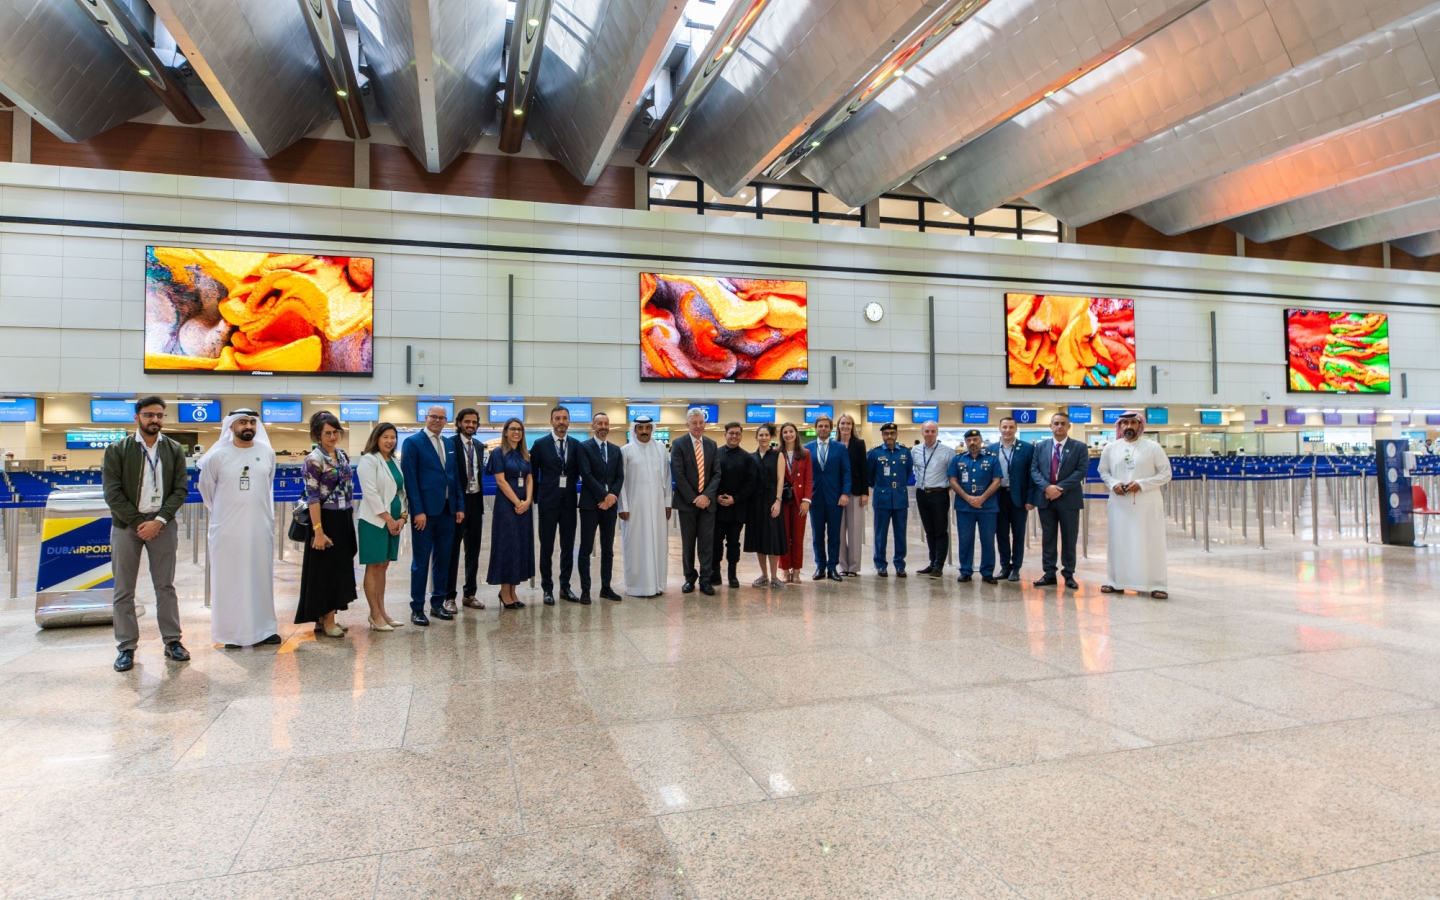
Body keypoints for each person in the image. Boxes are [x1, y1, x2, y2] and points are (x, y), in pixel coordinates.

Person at [102, 396, 191, 672]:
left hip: (162, 524)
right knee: (124, 590)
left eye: (160, 415)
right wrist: (140, 522)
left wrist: (159, 520)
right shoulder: (118, 449)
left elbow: (180, 490)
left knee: (165, 586)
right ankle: (126, 647)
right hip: (126, 526)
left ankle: (172, 641)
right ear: (137, 418)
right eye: (149, 415)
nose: (155, 420)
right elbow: (112, 492)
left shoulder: (174, 449)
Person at [198, 410, 279, 648]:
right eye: (243, 422)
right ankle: (231, 634)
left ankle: (264, 630)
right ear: (231, 427)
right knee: (230, 580)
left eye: (252, 422)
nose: (248, 426)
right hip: (228, 530)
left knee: (260, 578)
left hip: (259, 527)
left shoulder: (267, 453)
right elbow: (207, 492)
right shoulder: (217, 456)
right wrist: (228, 514)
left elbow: (268, 485)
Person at [295, 410, 357, 636]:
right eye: (327, 433)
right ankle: (327, 620)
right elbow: (312, 498)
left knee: (339, 569)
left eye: (335, 432)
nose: (332, 436)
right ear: (318, 435)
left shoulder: (342, 456)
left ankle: (326, 618)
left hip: (344, 516)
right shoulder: (313, 460)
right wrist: (318, 531)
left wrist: (350, 520)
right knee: (326, 571)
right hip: (324, 519)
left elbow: (348, 490)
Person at [1099, 412, 1173, 599]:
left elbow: (1166, 474)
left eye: (1133, 422)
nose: (1128, 426)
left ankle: (1156, 584)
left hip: (1147, 503)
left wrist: (1142, 484)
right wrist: (1113, 483)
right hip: (1119, 503)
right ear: (1120, 426)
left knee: (1150, 541)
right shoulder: (1111, 448)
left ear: (1140, 426)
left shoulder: (1153, 447)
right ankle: (1116, 582)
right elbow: (1103, 471)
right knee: (1119, 541)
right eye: (1125, 423)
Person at [401, 405, 463, 625]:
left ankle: (437, 603)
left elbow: (453, 478)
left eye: (441, 417)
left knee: (443, 559)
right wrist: (417, 511)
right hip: (425, 514)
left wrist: (459, 506)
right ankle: (417, 607)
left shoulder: (449, 444)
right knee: (421, 561)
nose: (437, 420)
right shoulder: (413, 443)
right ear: (426, 418)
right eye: (433, 417)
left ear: (446, 421)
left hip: (447, 511)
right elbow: (411, 480)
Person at [357, 422, 408, 630]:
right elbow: (371, 494)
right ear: (377, 438)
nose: (390, 441)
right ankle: (374, 614)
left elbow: (401, 492)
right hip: (375, 521)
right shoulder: (368, 461)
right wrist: (388, 519)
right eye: (385, 437)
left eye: (393, 437)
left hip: (394, 520)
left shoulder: (393, 461)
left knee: (384, 566)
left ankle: (382, 612)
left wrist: (402, 517)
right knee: (374, 566)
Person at [1030, 411, 1088, 589]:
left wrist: (1059, 488)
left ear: (1069, 426)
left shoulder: (1079, 447)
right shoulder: (1040, 447)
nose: (1059, 426)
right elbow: (1034, 470)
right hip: (1046, 499)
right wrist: (1047, 487)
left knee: (1069, 539)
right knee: (1048, 538)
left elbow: (1081, 471)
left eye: (1063, 423)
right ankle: (1049, 573)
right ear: (1050, 426)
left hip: (1069, 500)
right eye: (1056, 423)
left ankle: (1069, 574)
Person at [531, 405, 581, 605]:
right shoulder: (540, 444)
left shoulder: (577, 445)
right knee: (547, 546)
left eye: (565, 418)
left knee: (568, 546)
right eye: (557, 418)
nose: (561, 421)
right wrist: (536, 499)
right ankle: (547, 588)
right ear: (551, 421)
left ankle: (565, 587)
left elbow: (578, 471)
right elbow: (533, 475)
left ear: (569, 421)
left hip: (569, 502)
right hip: (548, 503)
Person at [618, 416, 670, 597]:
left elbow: (667, 478)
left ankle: (658, 584)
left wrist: (667, 503)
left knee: (658, 544)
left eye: (647, 427)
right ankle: (636, 586)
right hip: (634, 509)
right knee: (635, 545)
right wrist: (622, 506)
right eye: (640, 428)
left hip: (657, 508)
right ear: (635, 430)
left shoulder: (661, 449)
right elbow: (621, 482)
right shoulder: (626, 451)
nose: (644, 431)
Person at [486, 418, 535, 609]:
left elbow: (529, 478)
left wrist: (528, 501)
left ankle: (513, 591)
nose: (516, 432)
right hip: (507, 507)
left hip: (524, 506)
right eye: (512, 429)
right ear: (506, 432)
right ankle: (504, 592)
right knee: (507, 545)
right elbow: (501, 481)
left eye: (520, 429)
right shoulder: (499, 453)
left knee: (520, 545)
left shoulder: (524, 453)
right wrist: (517, 502)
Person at [671, 408, 720, 595]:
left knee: (706, 543)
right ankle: (689, 578)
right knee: (688, 543)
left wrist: (706, 496)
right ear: (687, 425)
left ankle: (706, 580)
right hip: (687, 504)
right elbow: (679, 474)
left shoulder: (712, 445)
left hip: (708, 504)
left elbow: (716, 474)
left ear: (704, 424)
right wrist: (694, 498)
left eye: (701, 423)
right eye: (694, 423)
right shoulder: (679, 444)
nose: (698, 426)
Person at [577, 412, 624, 603]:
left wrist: (612, 497)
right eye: (599, 423)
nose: (603, 426)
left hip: (610, 507)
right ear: (593, 426)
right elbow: (586, 475)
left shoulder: (615, 450)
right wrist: (604, 496)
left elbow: (619, 476)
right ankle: (585, 590)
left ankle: (606, 587)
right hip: (590, 505)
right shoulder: (584, 447)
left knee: (608, 549)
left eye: (606, 423)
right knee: (586, 548)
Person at [447, 408, 487, 612]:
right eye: (467, 421)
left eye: (474, 422)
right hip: (456, 506)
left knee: (473, 552)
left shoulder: (479, 446)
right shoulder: (449, 444)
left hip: (475, 503)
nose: (471, 425)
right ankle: (449, 597)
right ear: (459, 423)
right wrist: (456, 505)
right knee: (452, 552)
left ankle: (469, 594)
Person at [950, 429, 1002, 584]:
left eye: (975, 439)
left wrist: (981, 498)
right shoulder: (958, 459)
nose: (972, 442)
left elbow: (997, 481)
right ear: (965, 442)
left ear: (981, 440)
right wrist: (967, 498)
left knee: (987, 540)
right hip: (964, 507)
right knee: (965, 540)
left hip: (987, 507)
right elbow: (953, 480)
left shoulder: (992, 459)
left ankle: (987, 572)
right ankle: (965, 570)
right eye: (969, 440)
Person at [989, 416, 1035, 582]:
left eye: (1011, 427)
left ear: (1015, 429)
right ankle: (1004, 566)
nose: (1007, 430)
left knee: (1018, 534)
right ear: (999, 429)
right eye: (1004, 427)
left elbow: (1031, 476)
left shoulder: (1027, 449)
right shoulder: (991, 449)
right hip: (998, 496)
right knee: (1001, 534)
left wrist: (1030, 499)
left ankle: (1016, 567)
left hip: (1019, 498)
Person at [805, 414, 852, 582]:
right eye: (820, 426)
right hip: (815, 498)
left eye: (826, 426)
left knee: (834, 535)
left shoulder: (839, 448)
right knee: (817, 535)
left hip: (835, 498)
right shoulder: (807, 448)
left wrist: (845, 493)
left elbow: (846, 472)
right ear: (815, 428)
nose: (823, 429)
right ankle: (820, 566)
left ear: (831, 429)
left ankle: (832, 567)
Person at [711, 421, 757, 588]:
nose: (734, 436)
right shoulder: (715, 454)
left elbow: (751, 483)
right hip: (717, 508)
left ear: (741, 436)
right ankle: (715, 574)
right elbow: (709, 478)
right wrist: (715, 497)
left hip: (737, 508)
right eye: (731, 433)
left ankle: (732, 575)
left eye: (737, 433)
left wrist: (735, 498)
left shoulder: (747, 458)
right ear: (725, 435)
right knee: (716, 542)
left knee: (733, 542)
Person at [744, 423, 787, 587]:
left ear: (771, 437)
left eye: (766, 435)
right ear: (756, 438)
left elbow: (781, 479)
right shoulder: (751, 458)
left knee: (773, 539)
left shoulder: (778, 456)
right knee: (759, 540)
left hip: (771, 501)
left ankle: (775, 576)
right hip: (755, 503)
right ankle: (764, 575)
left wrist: (778, 501)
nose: (763, 438)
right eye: (760, 435)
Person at [867, 421, 912, 577]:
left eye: (892, 433)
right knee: (880, 533)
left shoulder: (905, 453)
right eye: (886, 434)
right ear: (882, 436)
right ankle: (880, 564)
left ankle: (900, 564)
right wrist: (880, 488)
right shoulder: (874, 453)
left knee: (900, 533)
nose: (889, 436)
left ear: (897, 435)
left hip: (900, 498)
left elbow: (907, 473)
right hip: (881, 498)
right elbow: (869, 476)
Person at [911, 421, 954, 577]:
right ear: (922, 433)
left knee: (940, 530)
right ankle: (932, 562)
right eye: (926, 431)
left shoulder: (948, 452)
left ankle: (939, 565)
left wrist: (943, 489)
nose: (929, 434)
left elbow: (953, 475)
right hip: (922, 493)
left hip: (939, 494)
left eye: (932, 431)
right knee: (929, 530)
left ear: (937, 433)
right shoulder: (915, 451)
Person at [777, 423, 812, 584]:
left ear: (796, 434)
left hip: (799, 502)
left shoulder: (805, 453)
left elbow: (808, 478)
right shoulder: (777, 453)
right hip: (783, 500)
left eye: (791, 431)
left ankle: (796, 570)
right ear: (782, 435)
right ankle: (784, 570)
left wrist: (806, 500)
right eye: (785, 432)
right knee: (783, 537)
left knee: (797, 537)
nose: (788, 434)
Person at [835, 413, 869, 576]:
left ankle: (853, 567)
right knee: (839, 532)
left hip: (855, 493)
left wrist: (864, 492)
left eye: (848, 423)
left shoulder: (859, 444)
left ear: (852, 426)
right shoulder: (833, 444)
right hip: (837, 494)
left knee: (855, 530)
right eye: (843, 423)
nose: (845, 426)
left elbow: (864, 469)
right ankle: (843, 566)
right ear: (838, 426)